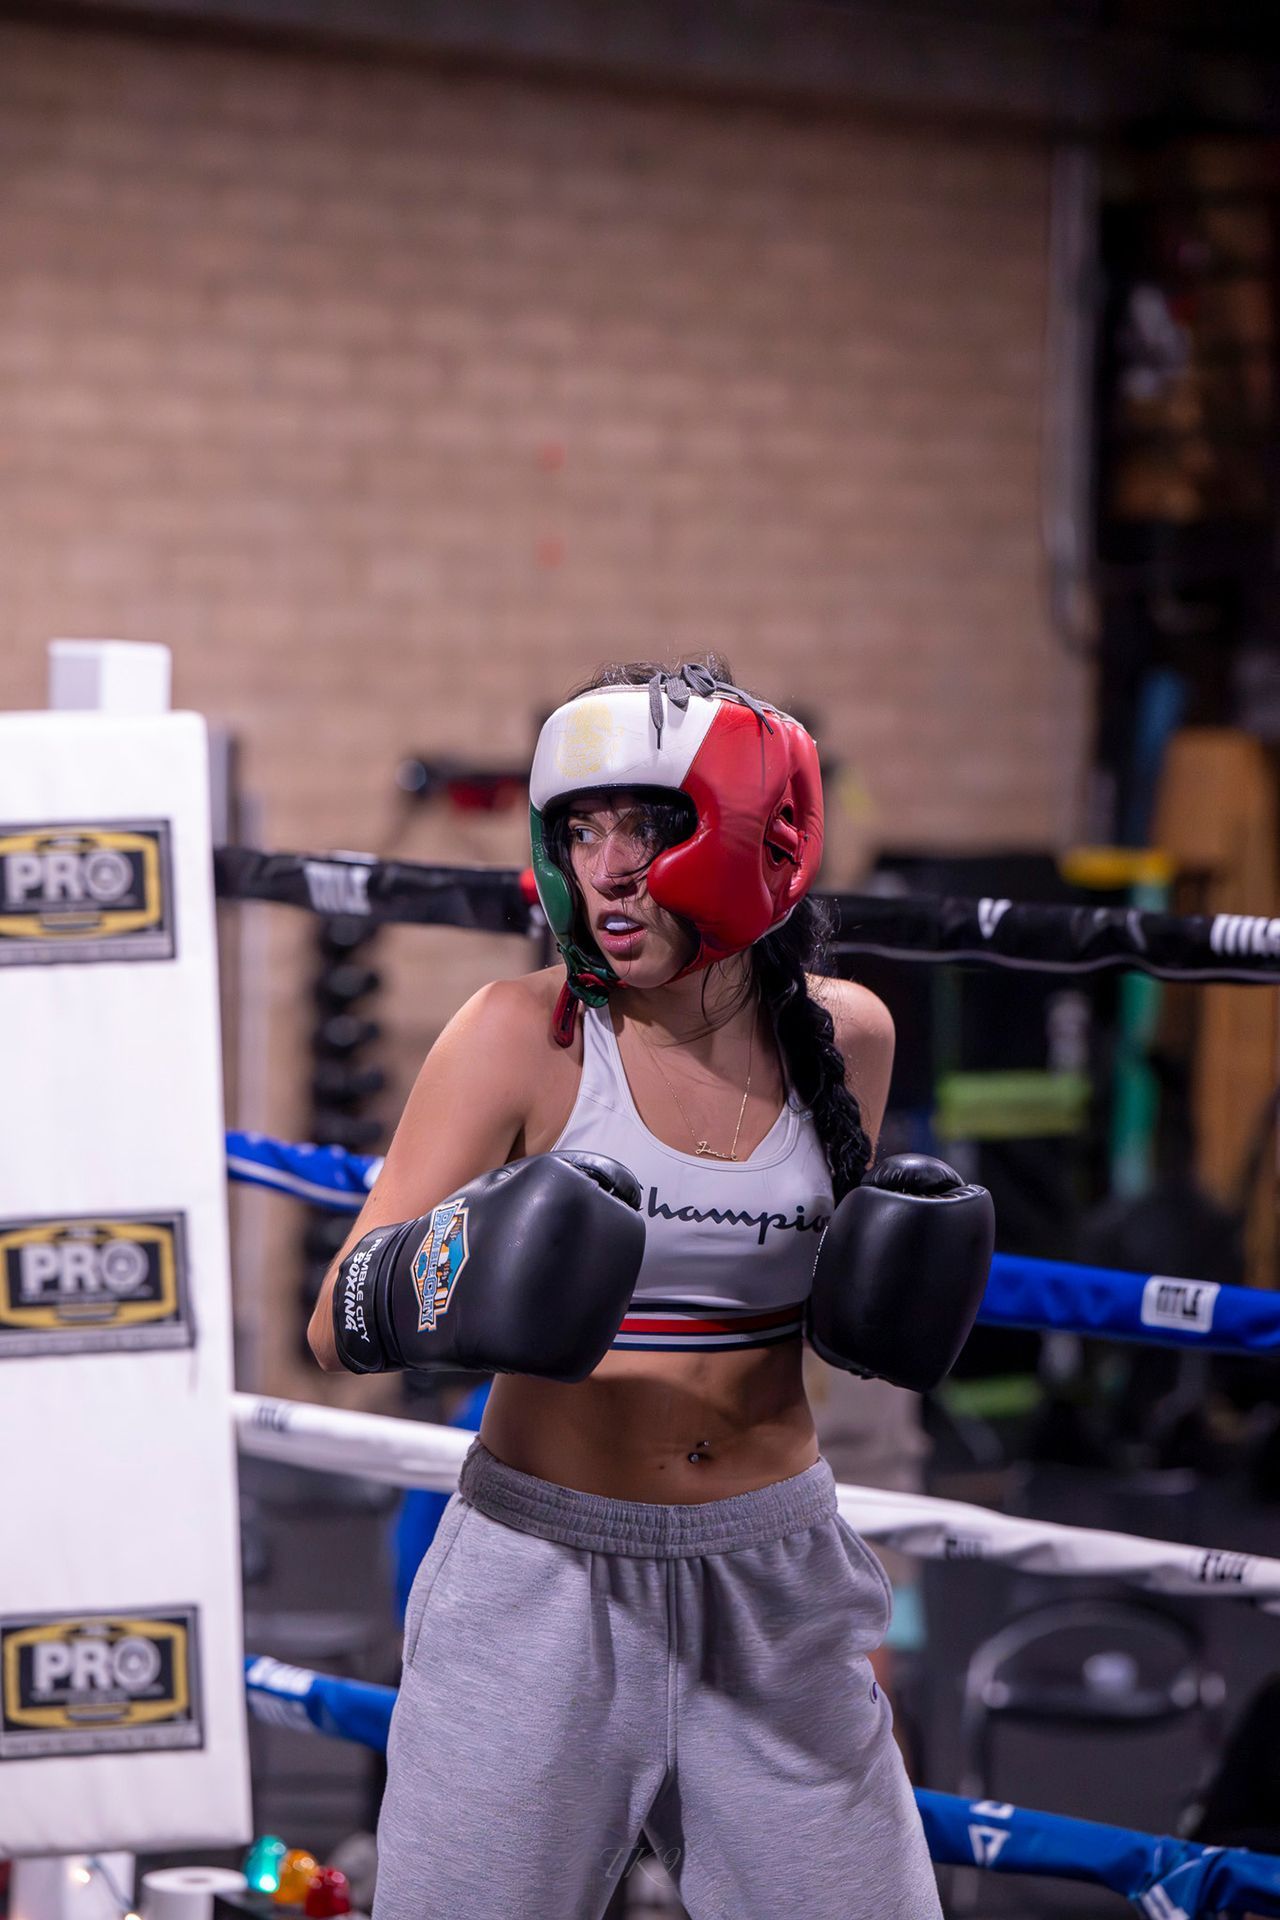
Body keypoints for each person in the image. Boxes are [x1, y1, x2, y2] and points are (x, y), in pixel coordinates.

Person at [310, 659, 984, 1919]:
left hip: (774, 1576)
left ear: (749, 833)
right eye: (581, 827)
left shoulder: (846, 1037)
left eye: (647, 823)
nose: (607, 866)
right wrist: (464, 1272)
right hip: (541, 1576)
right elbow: (336, 1308)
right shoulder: (520, 1032)